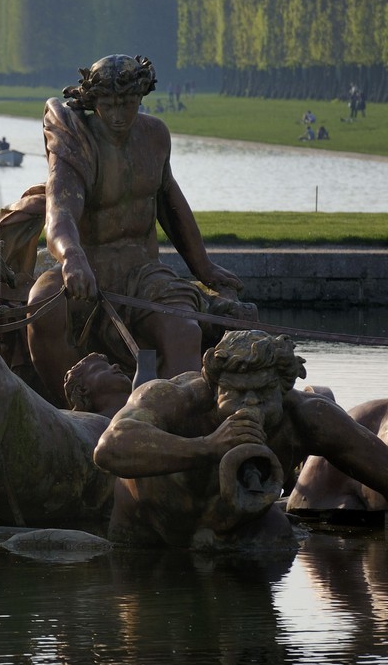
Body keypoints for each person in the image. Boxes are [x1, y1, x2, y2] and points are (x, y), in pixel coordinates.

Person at [27, 54, 242, 390]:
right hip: (88, 268)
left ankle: (179, 414)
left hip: (144, 271)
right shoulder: (78, 142)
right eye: (109, 104)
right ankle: (68, 409)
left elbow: (169, 203)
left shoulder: (155, 136)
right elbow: (61, 212)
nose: (117, 115)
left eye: (127, 104)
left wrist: (204, 267)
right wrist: (71, 256)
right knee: (42, 304)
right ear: (93, 100)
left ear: (141, 97)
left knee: (183, 329)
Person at [94, 331, 388, 547]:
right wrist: (208, 446)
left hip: (240, 534)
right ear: (213, 387)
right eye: (234, 393)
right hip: (150, 531)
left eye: (262, 393)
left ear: (283, 389)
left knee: (277, 539)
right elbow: (109, 449)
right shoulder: (175, 397)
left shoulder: (307, 417)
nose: (250, 404)